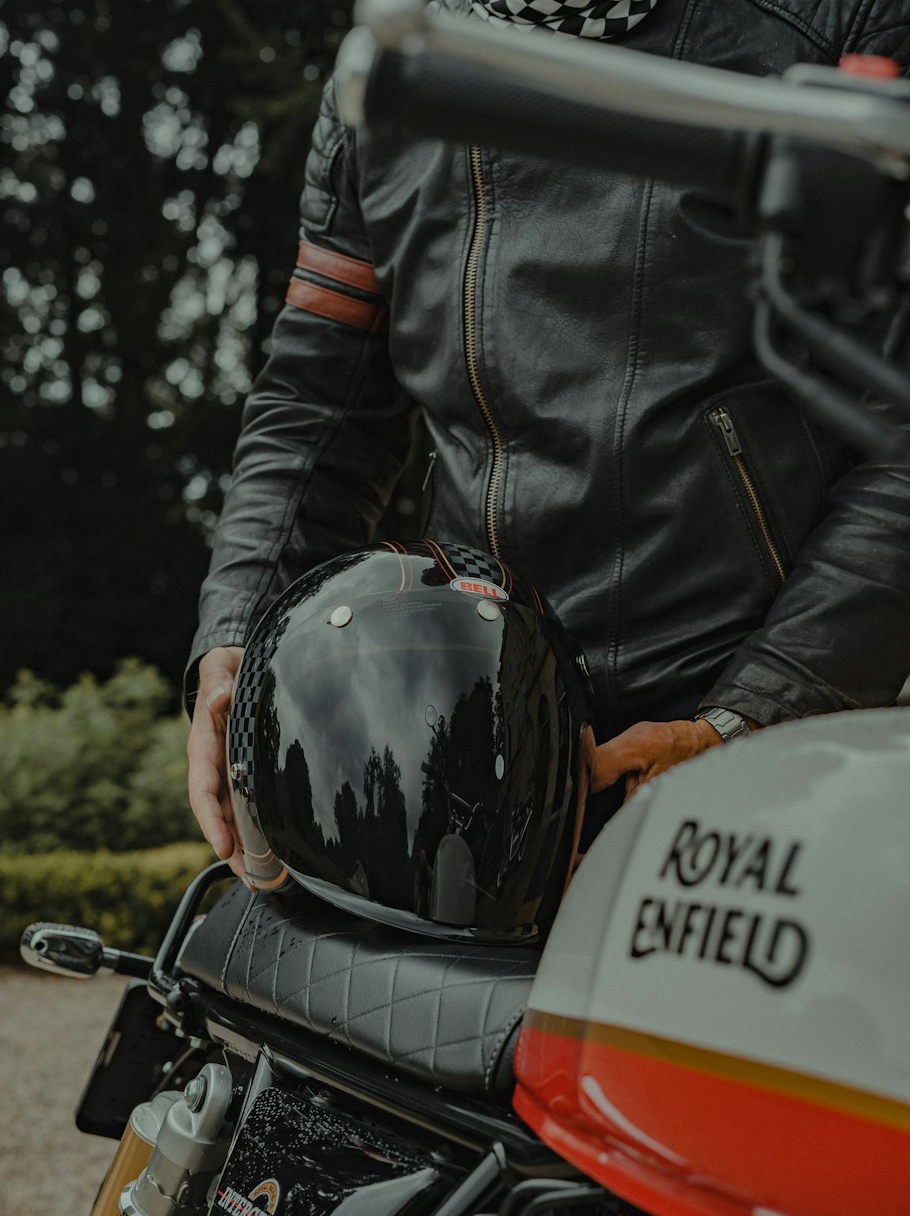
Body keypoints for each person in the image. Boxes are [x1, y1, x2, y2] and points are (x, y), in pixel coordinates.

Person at [187, 0, 910, 882]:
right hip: (452, 731)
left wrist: (752, 720)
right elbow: (313, 407)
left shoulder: (842, 23)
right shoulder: (393, 67)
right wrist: (238, 643)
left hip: (758, 737)